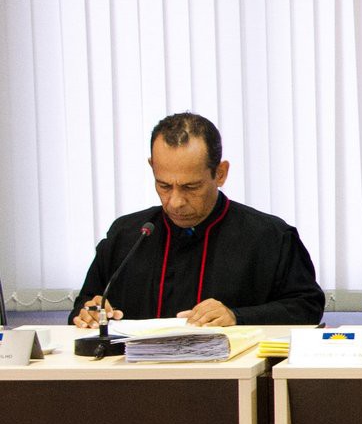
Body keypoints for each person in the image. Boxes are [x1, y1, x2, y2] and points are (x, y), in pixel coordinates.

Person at [70, 113, 324, 327]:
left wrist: (237, 316)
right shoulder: (127, 234)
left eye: (191, 187)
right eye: (164, 185)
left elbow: (307, 307)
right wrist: (89, 314)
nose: (175, 202)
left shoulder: (269, 236)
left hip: (230, 379)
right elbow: (87, 304)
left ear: (220, 173)